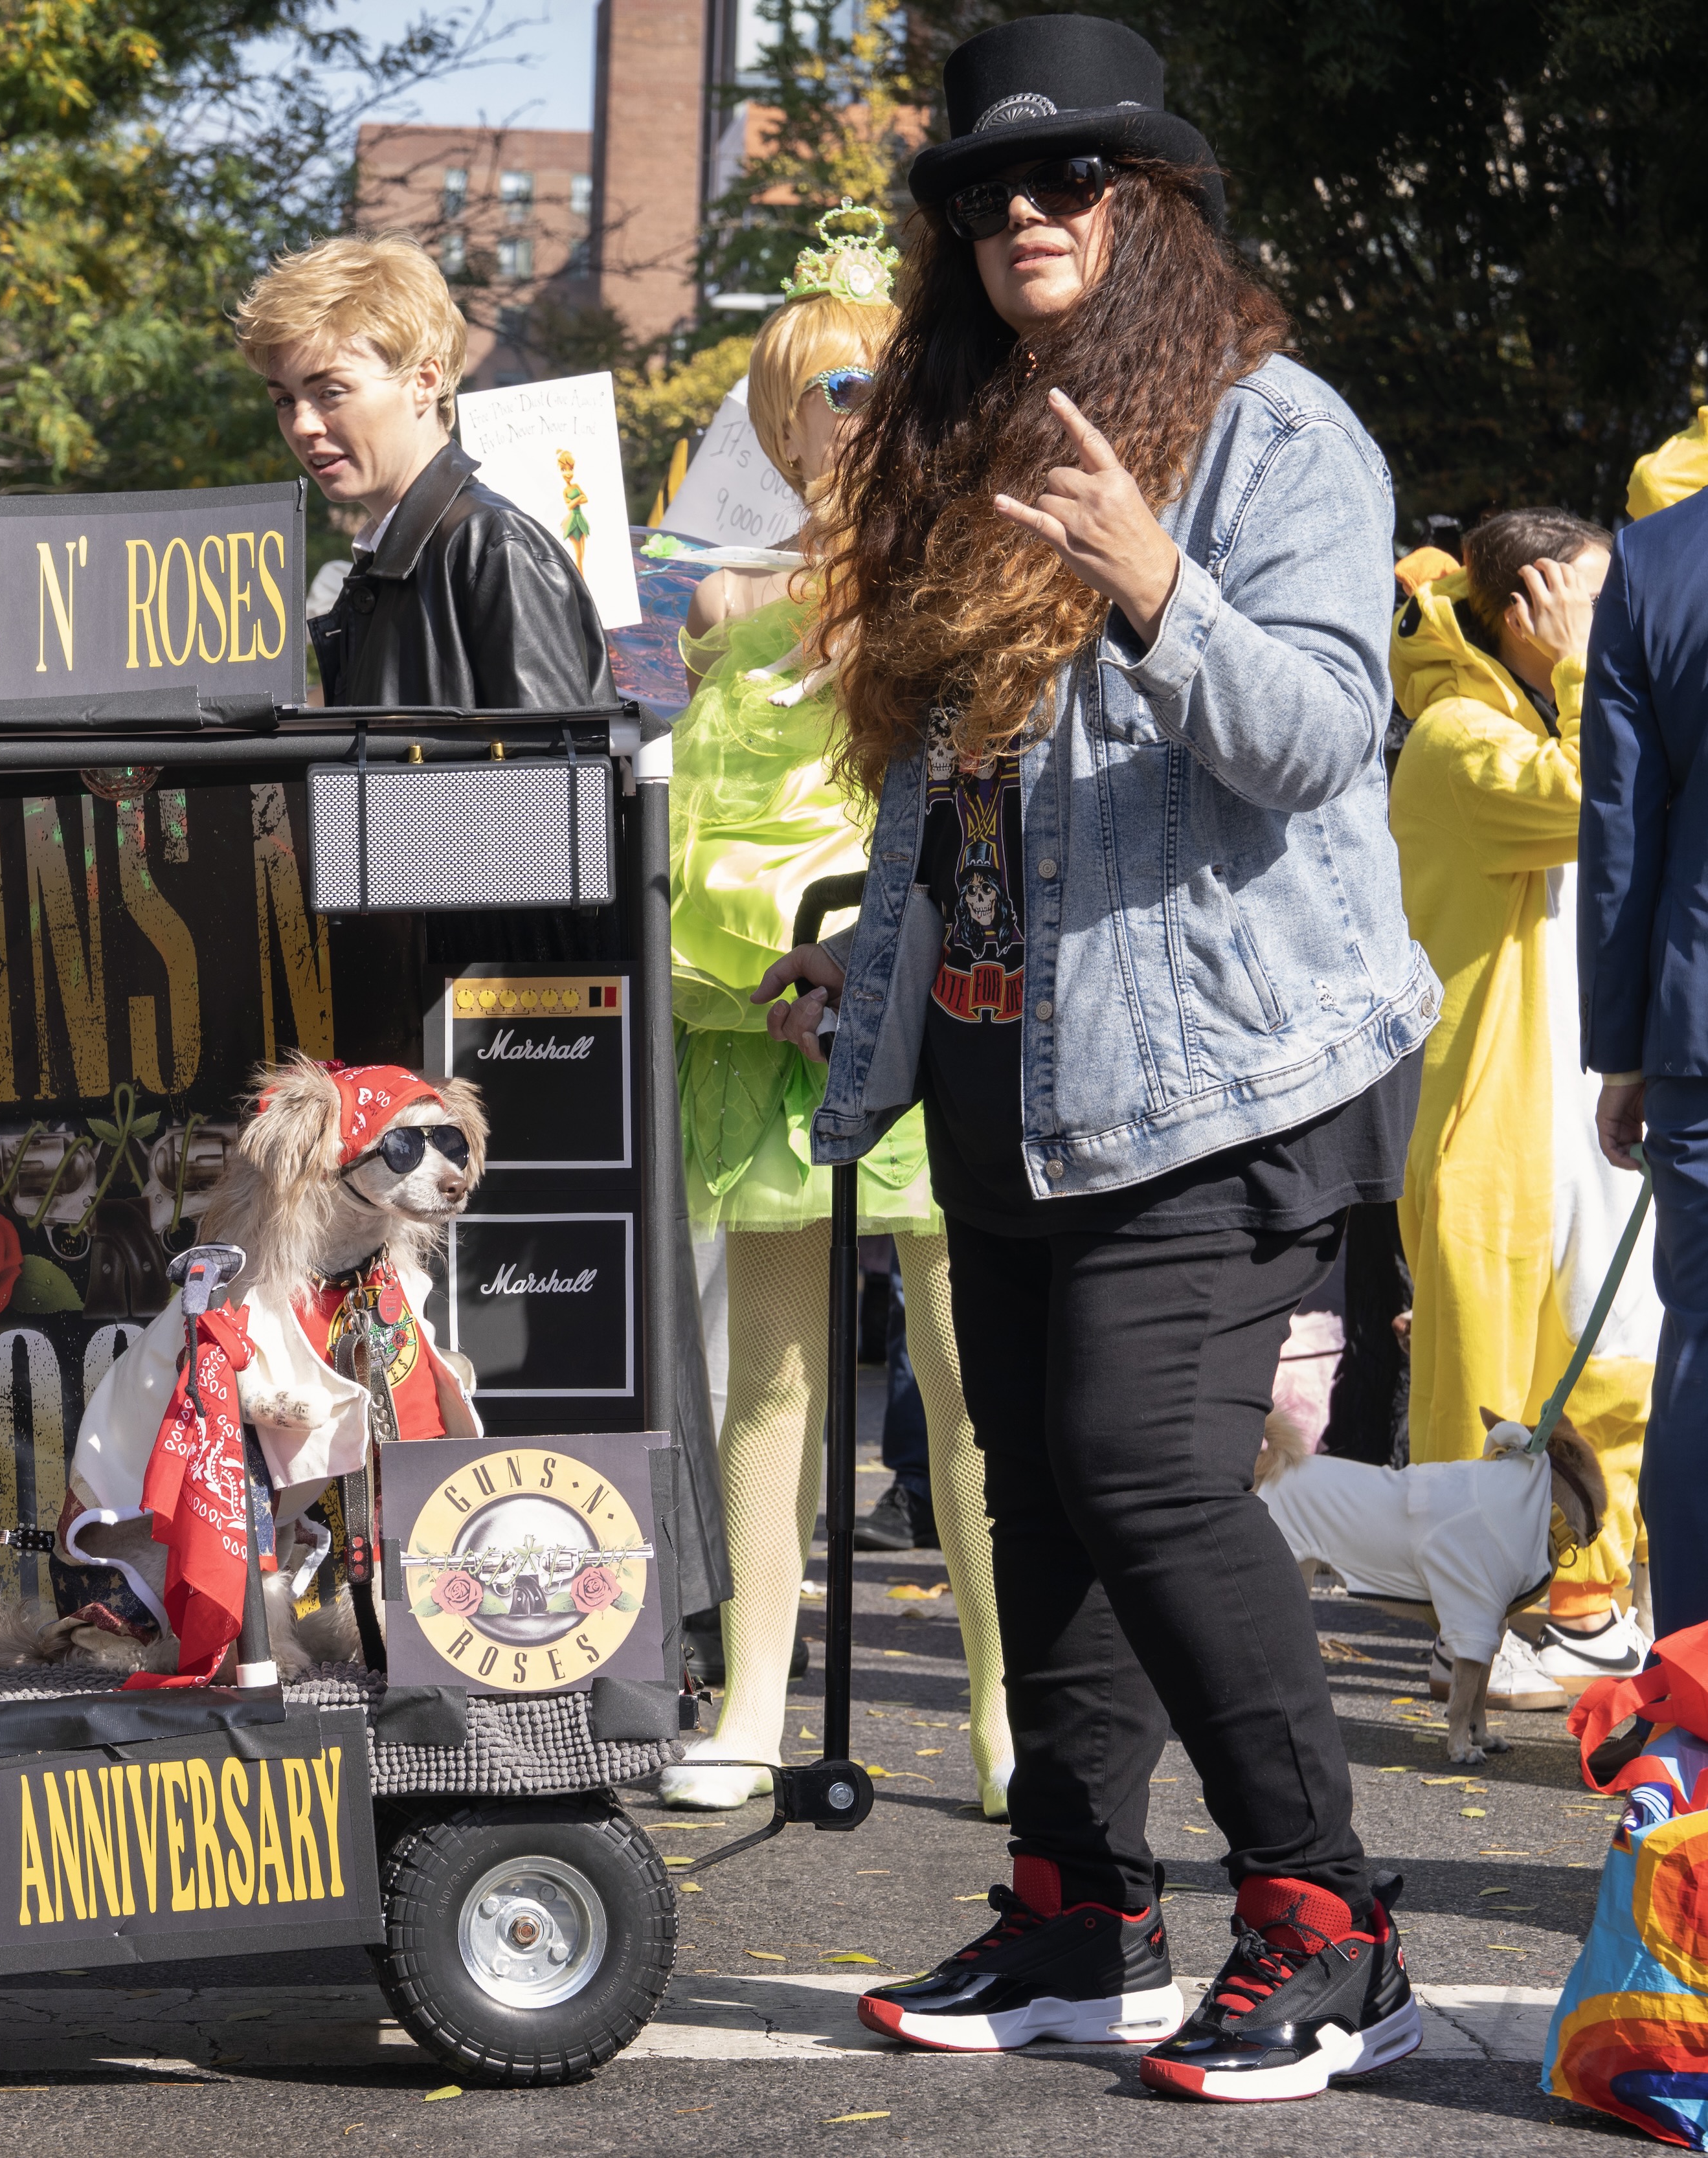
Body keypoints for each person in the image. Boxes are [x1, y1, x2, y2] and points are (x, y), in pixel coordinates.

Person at [755, 15, 1435, 2098]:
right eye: (980, 196)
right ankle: (1078, 1913)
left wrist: (1151, 579)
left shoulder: (1268, 432)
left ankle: (1327, 1921)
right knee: (1033, 1479)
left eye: (1067, 186)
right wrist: (877, 978)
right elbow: (957, 793)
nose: (1020, 219)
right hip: (1002, 1055)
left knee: (1143, 1466)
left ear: (1150, 215)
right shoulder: (967, 428)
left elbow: (1318, 740)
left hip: (1219, 1063)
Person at [657, 205, 1011, 1818]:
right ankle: (747, 1697)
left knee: (964, 1375)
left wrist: (888, 954)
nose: (839, 421)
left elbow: (973, 807)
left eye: (867, 386)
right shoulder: (726, 608)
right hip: (764, 1020)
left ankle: (1012, 1708)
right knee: (773, 1380)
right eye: (812, 392)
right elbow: (703, 829)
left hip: (933, 1007)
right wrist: (751, 971)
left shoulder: (960, 584)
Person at [1389, 507, 1654, 1700]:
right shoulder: (1452, 734)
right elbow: (1606, 798)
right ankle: (1473, 1628)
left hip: (1576, 1119)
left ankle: (1590, 1608)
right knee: (1484, 1398)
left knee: (1612, 1367)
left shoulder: (1534, 713)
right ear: (1532, 605)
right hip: (1491, 1132)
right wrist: (1602, 664)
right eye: (1597, 604)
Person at [233, 234, 608, 712]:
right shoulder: (390, 559)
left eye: (330, 391)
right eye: (284, 400)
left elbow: (552, 780)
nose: (302, 425)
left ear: (424, 382)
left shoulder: (494, 548)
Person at [1580, 482, 1708, 1645]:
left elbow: (1621, 819)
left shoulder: (1662, 558)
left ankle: (1695, 1695)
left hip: (1699, 1024)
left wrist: (1620, 1049)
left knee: (1702, 1351)